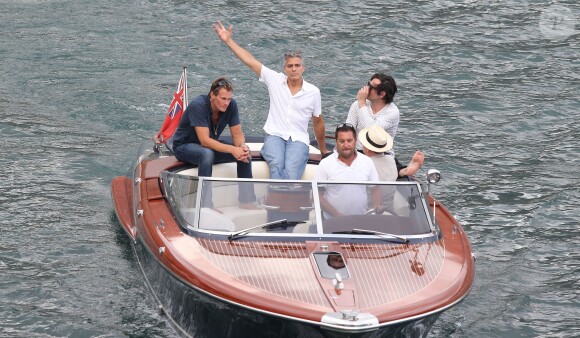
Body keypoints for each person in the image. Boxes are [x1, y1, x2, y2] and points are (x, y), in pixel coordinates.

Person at [213, 21, 330, 180]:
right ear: (284, 69)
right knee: (276, 165)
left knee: (292, 170)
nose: (294, 69)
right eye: (290, 66)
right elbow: (250, 61)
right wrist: (228, 40)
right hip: (275, 136)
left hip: (299, 139)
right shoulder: (275, 80)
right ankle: (277, 202)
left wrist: (323, 150)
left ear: (303, 68)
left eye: (297, 65)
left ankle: (276, 201)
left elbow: (318, 123)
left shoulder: (313, 91)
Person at [172, 77, 256, 209]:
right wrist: (232, 150)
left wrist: (241, 147)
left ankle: (246, 201)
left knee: (245, 153)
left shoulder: (231, 105)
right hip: (184, 146)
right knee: (207, 154)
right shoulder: (198, 106)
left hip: (209, 144)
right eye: (223, 99)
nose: (226, 103)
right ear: (212, 95)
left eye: (228, 99)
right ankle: (205, 206)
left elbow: (237, 135)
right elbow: (204, 141)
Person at [315, 124, 382, 218]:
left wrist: (375, 207)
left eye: (349, 141)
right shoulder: (325, 163)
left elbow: (375, 189)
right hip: (333, 221)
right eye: (342, 141)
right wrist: (336, 215)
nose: (346, 145)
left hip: (361, 219)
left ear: (355, 140)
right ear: (336, 142)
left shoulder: (367, 162)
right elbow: (317, 196)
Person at [345, 73, 399, 152]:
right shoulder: (358, 104)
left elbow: (371, 131)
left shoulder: (392, 112)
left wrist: (362, 103)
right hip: (358, 151)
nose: (366, 88)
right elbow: (348, 128)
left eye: (371, 87)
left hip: (380, 154)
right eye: (368, 84)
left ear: (382, 94)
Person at [358, 125, 424, 181]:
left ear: (367, 149)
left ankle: (404, 171)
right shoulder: (391, 159)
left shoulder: (364, 162)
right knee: (394, 168)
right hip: (390, 194)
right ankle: (404, 171)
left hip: (372, 194)